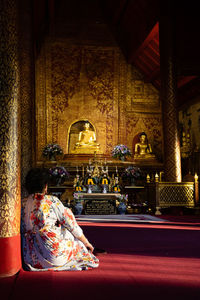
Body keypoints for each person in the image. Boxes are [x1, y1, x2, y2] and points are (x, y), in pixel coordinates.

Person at [21, 168, 99, 271]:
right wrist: (86, 243)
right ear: (45, 186)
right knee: (68, 232)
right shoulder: (52, 201)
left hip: (31, 258)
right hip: (54, 256)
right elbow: (72, 225)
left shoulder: (21, 203)